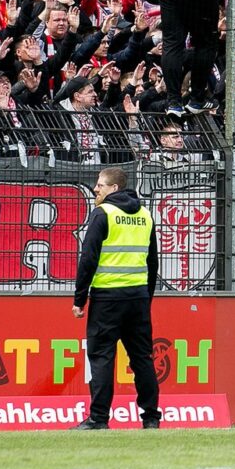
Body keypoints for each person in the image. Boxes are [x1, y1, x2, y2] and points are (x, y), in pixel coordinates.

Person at [72, 166, 160, 429]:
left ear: (114, 188)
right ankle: (151, 418)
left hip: (108, 299)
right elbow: (152, 261)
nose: (96, 188)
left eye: (101, 184)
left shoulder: (103, 214)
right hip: (138, 298)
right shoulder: (145, 215)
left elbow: (88, 259)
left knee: (101, 357)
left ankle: (99, 418)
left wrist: (79, 299)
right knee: (142, 358)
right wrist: (147, 297)